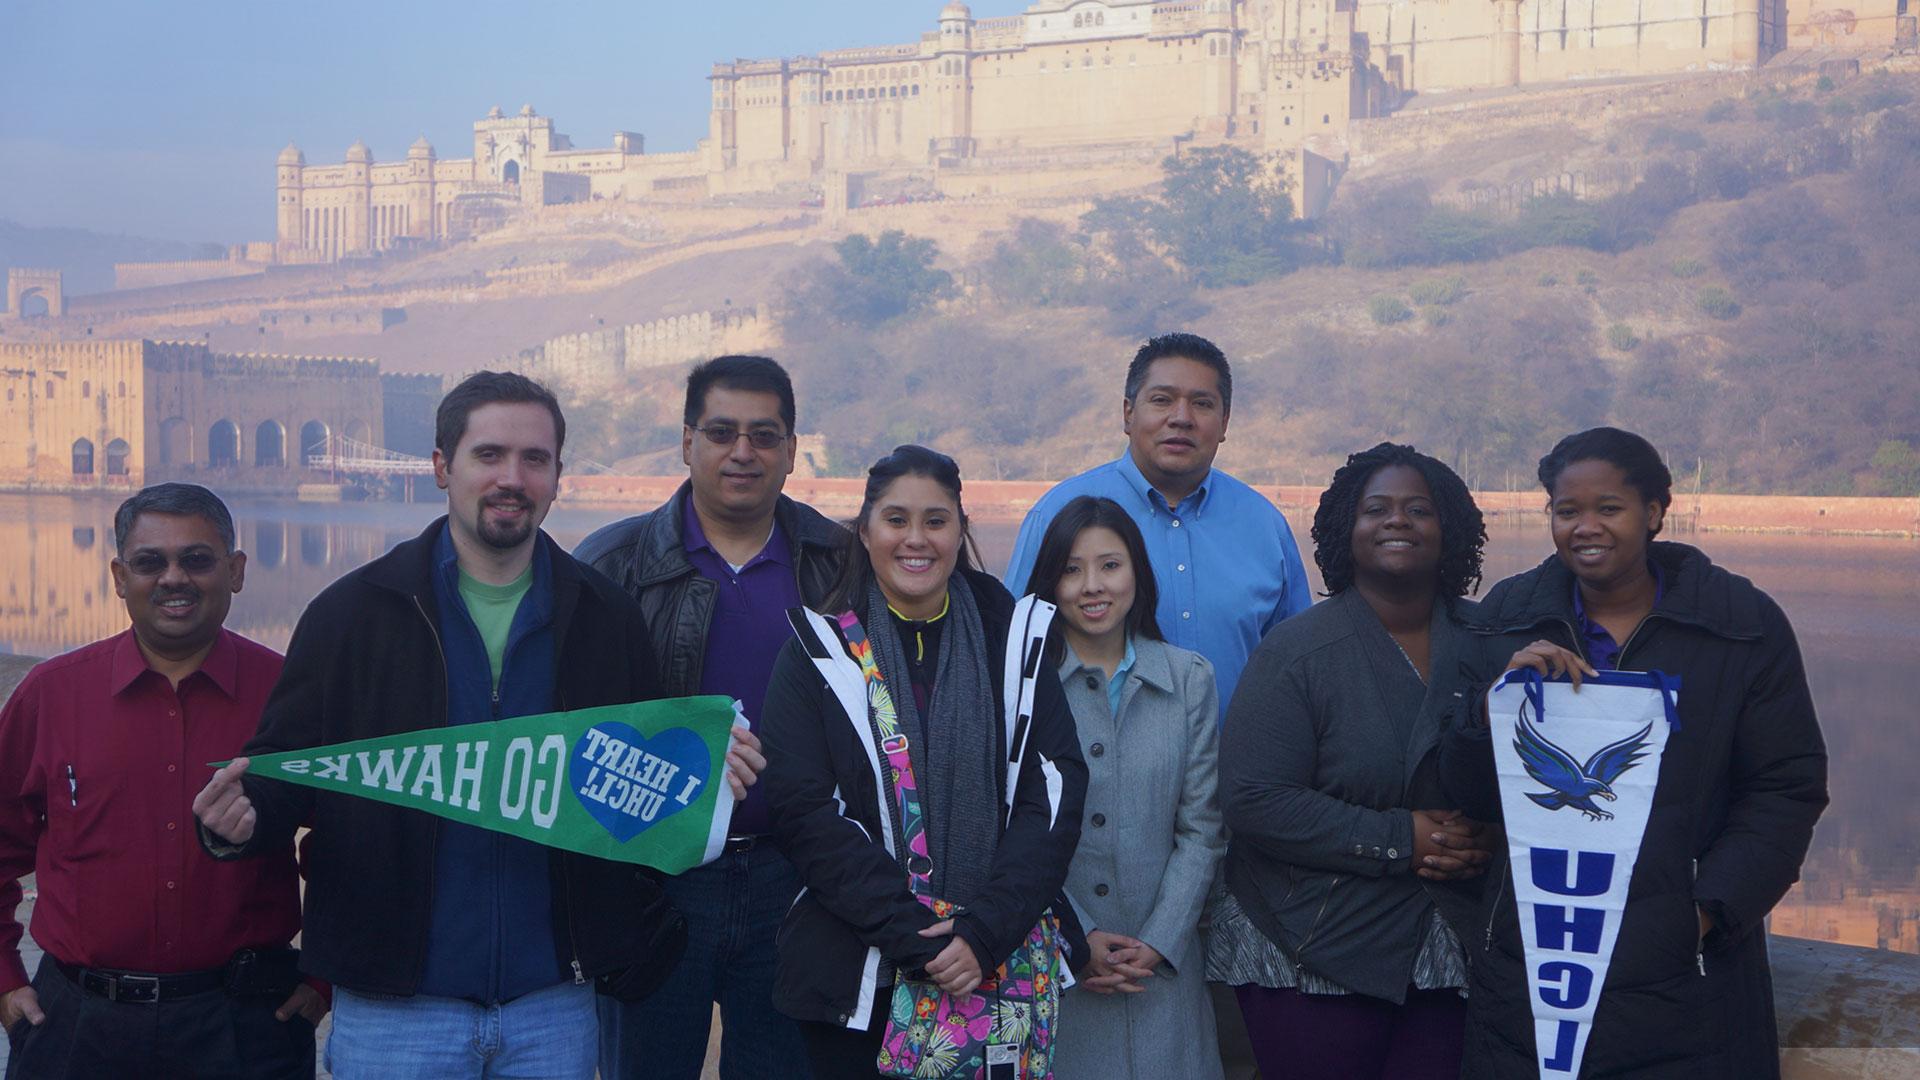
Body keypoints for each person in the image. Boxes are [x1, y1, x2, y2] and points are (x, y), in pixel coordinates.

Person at [191, 371, 765, 1080]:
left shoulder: (605, 616)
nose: (511, 478)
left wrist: (707, 778)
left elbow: (630, 790)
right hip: (394, 1004)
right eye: (489, 455)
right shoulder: (351, 615)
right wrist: (236, 822)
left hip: (554, 1004)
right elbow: (285, 775)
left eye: (534, 460)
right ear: (442, 466)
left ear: (558, 476)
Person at [1438, 426, 1828, 1078]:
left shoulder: (1737, 623)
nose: (1585, 527)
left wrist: (1706, 914)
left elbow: (1785, 787)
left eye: (1609, 508)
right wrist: (1492, 713)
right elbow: (1468, 795)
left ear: (1653, 513)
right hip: (1533, 970)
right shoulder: (1507, 617)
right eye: (1567, 511)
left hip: (1685, 983)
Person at [758, 445, 1088, 1080]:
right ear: (865, 530)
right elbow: (805, 811)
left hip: (996, 961)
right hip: (857, 975)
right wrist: (918, 939)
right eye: (896, 519)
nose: (917, 539)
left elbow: (1054, 789)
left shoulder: (1013, 639)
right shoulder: (817, 649)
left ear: (960, 531)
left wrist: (984, 933)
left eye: (936, 521)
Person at [0, 483, 326, 1079]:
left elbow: (349, 845)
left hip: (247, 1027)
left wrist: (323, 980)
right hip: (77, 1025)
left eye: (196, 560)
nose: (174, 578)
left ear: (235, 571)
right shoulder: (53, 695)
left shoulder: (291, 697)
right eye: (151, 562)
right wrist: (4, 979)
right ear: (121, 577)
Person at [576, 355, 844, 1080]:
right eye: (722, 432)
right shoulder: (611, 563)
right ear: (687, 441)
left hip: (800, 880)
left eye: (764, 435)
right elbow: (569, 731)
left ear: (791, 450)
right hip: (657, 880)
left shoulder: (838, 562)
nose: (742, 452)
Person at [1213, 444, 1494, 1080]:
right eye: (1377, 509)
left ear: (1450, 527)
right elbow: (1255, 798)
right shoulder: (1296, 650)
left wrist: (1491, 835)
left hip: (1456, 939)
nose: (1398, 520)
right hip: (1308, 941)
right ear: (1347, 528)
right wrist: (1404, 838)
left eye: (1419, 509)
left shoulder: (1492, 642)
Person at [1004, 332, 1312, 718]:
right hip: (1090, 771)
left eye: (1202, 404)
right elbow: (1013, 652)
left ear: (1225, 422)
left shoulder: (1265, 526)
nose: (1181, 418)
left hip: (1237, 773)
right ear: (1128, 413)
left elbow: (1299, 668)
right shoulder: (1057, 515)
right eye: (1162, 400)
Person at [1024, 496, 1227, 1080]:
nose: (1093, 586)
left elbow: (1202, 829)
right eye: (1071, 568)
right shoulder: (1022, 684)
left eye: (1110, 565)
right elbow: (1011, 829)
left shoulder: (1188, 678)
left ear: (1137, 570)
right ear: (1049, 581)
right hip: (1057, 970)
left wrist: (1161, 941)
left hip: (1162, 974)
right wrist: (1076, 936)